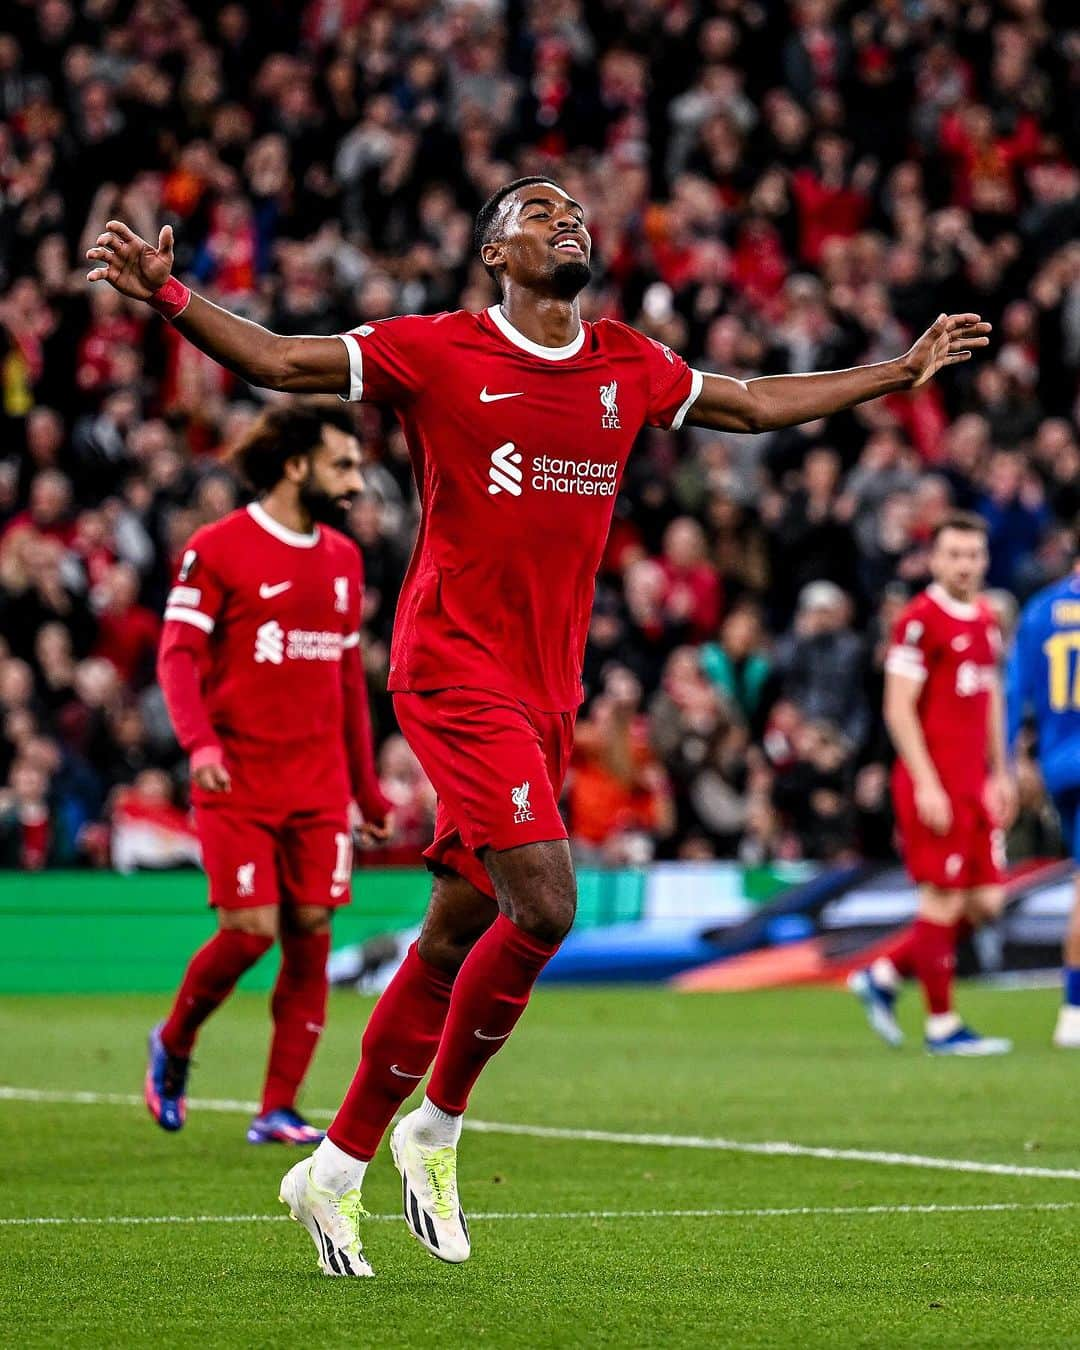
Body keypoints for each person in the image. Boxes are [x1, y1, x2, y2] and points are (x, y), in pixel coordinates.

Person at [87, 178, 991, 1277]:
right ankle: (437, 1128)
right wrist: (170, 296)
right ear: (495, 256)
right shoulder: (441, 350)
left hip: (547, 691)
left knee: (459, 928)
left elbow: (750, 402)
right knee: (547, 902)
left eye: (573, 211)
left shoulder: (627, 363)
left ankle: (332, 1168)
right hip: (453, 669)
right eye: (535, 212)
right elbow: (283, 361)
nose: (565, 221)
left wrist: (896, 372)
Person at [145, 404, 391, 1146]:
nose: (355, 481)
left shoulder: (345, 561)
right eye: (341, 465)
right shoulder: (218, 548)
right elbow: (177, 655)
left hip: (318, 784)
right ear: (295, 466)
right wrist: (201, 746)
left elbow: (348, 680)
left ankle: (277, 1108)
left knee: (312, 931)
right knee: (250, 933)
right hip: (237, 779)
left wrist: (367, 789)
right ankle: (176, 1040)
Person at [849, 513, 1017, 1055]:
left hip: (974, 783)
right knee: (941, 900)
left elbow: (990, 700)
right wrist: (926, 783)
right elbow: (898, 709)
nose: (966, 564)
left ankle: (883, 974)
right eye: (955, 555)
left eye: (974, 554)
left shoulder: (986, 617)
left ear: (984, 559)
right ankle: (942, 1026)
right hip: (934, 783)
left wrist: (1002, 771)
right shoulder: (919, 620)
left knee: (987, 902)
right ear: (935, 559)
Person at [1006, 530, 1080, 1048]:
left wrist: (1008, 760)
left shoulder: (1039, 609)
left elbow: (1013, 693)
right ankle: (1074, 1010)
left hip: (1058, 762)